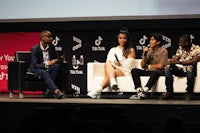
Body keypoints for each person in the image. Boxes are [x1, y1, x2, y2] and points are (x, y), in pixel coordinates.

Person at [87, 27, 136, 99]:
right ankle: (112, 83)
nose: (122, 40)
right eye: (120, 38)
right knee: (108, 65)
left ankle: (99, 89)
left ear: (127, 39)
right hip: (113, 69)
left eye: (124, 38)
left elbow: (128, 66)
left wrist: (120, 64)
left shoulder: (131, 50)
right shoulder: (113, 50)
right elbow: (108, 61)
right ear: (118, 38)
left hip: (125, 71)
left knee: (110, 70)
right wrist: (114, 64)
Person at [160, 34, 200, 100]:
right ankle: (169, 92)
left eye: (181, 42)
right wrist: (172, 61)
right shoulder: (180, 48)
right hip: (181, 69)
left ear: (187, 43)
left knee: (190, 68)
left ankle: (189, 93)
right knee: (168, 68)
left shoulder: (196, 48)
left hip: (191, 70)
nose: (179, 44)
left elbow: (194, 61)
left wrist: (180, 62)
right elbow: (176, 58)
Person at [129, 32, 168, 100]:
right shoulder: (149, 51)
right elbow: (143, 65)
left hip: (160, 72)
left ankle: (145, 91)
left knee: (155, 72)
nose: (150, 41)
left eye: (152, 40)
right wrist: (144, 54)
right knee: (134, 70)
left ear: (158, 42)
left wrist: (149, 66)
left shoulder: (163, 51)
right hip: (150, 71)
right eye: (150, 40)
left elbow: (161, 66)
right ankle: (139, 90)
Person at [28, 30, 64, 99]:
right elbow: (35, 65)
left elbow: (54, 59)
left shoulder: (51, 47)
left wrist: (58, 60)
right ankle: (56, 91)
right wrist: (48, 64)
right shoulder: (35, 49)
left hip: (47, 67)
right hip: (36, 68)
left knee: (56, 66)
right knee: (44, 72)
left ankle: (48, 89)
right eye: (49, 37)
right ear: (43, 38)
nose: (51, 38)